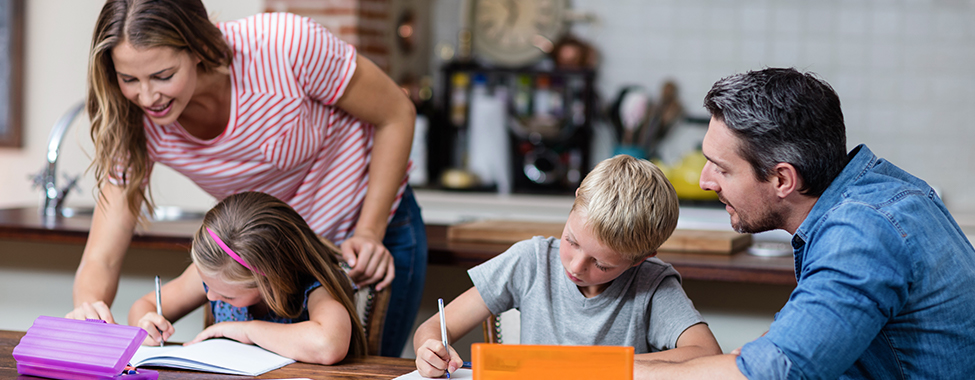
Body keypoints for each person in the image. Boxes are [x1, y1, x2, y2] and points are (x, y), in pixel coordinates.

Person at [68, 0, 426, 357]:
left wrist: (369, 232)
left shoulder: (286, 46)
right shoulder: (134, 117)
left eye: (163, 76)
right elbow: (103, 257)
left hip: (365, 232)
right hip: (260, 257)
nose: (147, 97)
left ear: (198, 47)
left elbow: (396, 114)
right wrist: (89, 311)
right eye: (128, 79)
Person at [640, 68, 975, 379]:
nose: (704, 181)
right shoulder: (872, 192)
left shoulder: (861, 233)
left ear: (783, 179)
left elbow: (774, 371)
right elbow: (782, 352)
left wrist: (605, 370)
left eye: (721, 168)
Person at [412, 155, 722, 378]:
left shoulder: (652, 284)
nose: (575, 265)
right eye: (571, 241)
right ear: (574, 203)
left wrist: (601, 368)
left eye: (601, 264)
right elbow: (435, 327)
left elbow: (707, 355)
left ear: (642, 258)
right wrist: (429, 349)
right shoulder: (530, 260)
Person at [129, 191, 367, 364]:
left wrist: (246, 330)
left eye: (226, 295)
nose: (210, 295)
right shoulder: (214, 275)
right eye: (207, 286)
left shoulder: (314, 288)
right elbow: (143, 306)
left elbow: (328, 345)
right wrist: (146, 324)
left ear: (271, 282)